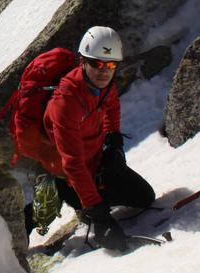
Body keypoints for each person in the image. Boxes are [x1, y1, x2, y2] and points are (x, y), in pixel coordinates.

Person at [25, 26, 155, 251]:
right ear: (83, 62)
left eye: (111, 65)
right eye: (96, 63)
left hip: (94, 160)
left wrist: (113, 140)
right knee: (56, 197)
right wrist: (98, 213)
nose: (104, 71)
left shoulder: (104, 86)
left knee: (144, 197)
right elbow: (72, 164)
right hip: (63, 171)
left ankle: (87, 199)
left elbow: (112, 107)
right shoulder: (65, 102)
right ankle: (24, 221)